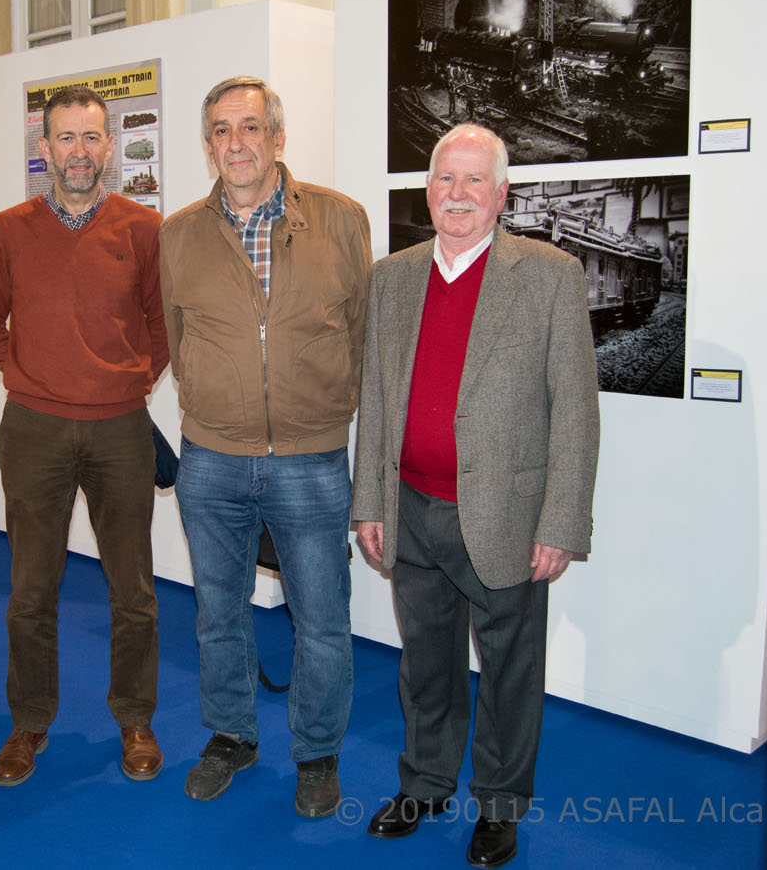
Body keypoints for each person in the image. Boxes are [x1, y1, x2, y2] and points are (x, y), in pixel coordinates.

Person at [350, 123, 600, 868]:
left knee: (509, 670)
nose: (457, 194)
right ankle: (426, 783)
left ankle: (500, 805)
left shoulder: (549, 275)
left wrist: (561, 520)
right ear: (427, 189)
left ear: (501, 194)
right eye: (444, 179)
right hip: (411, 508)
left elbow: (575, 410)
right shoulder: (392, 277)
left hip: (506, 516)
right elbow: (376, 398)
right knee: (425, 664)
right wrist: (370, 502)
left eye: (474, 180)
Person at [158, 75, 371, 819]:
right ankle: (231, 735)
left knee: (322, 618)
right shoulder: (178, 234)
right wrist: (216, 401)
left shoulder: (341, 220)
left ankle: (317, 752)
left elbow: (362, 334)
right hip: (212, 458)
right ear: (208, 144)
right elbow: (177, 339)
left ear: (278, 138)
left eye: (250, 127)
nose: (236, 143)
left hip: (311, 458)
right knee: (218, 611)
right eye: (221, 130)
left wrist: (323, 410)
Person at [0, 84, 169, 788]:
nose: (78, 152)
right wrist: (32, 375)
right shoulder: (9, 229)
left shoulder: (144, 228)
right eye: (65, 138)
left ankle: (136, 719)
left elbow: (162, 325)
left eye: (91, 137)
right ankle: (29, 722)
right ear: (45, 147)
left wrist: (130, 380)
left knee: (133, 589)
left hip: (120, 429)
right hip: (33, 431)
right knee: (30, 589)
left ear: (109, 146)